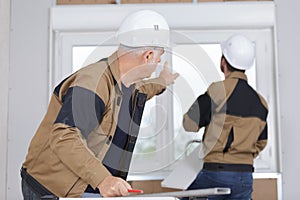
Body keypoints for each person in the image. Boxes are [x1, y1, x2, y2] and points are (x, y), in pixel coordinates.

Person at [21, 10, 179, 199]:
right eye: (159, 57)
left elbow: (148, 89)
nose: (159, 61)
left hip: (87, 187)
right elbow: (64, 136)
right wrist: (103, 179)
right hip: (50, 189)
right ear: (148, 55)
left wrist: (163, 80)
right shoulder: (94, 82)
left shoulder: (130, 84)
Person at [182, 34, 268, 200]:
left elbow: (189, 124)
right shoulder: (261, 102)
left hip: (216, 173)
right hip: (245, 176)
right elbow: (261, 142)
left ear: (223, 62)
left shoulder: (218, 91)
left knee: (186, 197)